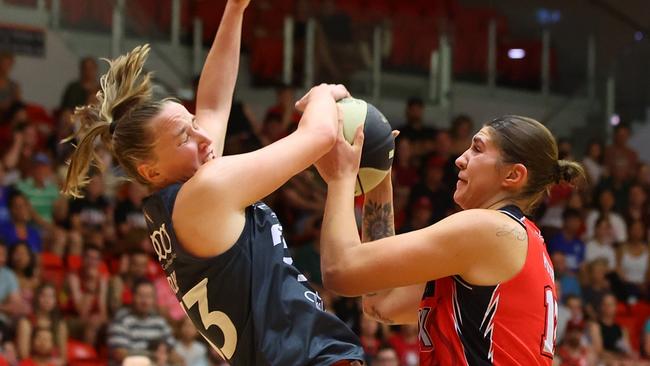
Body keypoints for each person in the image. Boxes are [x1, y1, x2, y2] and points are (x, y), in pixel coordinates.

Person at [61, 0, 364, 364]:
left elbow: (214, 105)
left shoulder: (181, 203)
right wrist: (321, 96)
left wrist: (234, 9)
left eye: (192, 123)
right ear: (150, 171)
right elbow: (319, 136)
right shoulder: (206, 191)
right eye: (183, 138)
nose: (203, 137)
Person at [315, 115, 585, 364]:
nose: (460, 159)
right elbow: (381, 302)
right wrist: (378, 176)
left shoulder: (489, 230)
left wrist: (341, 177)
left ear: (513, 175)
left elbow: (340, 270)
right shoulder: (518, 240)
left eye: (477, 149)